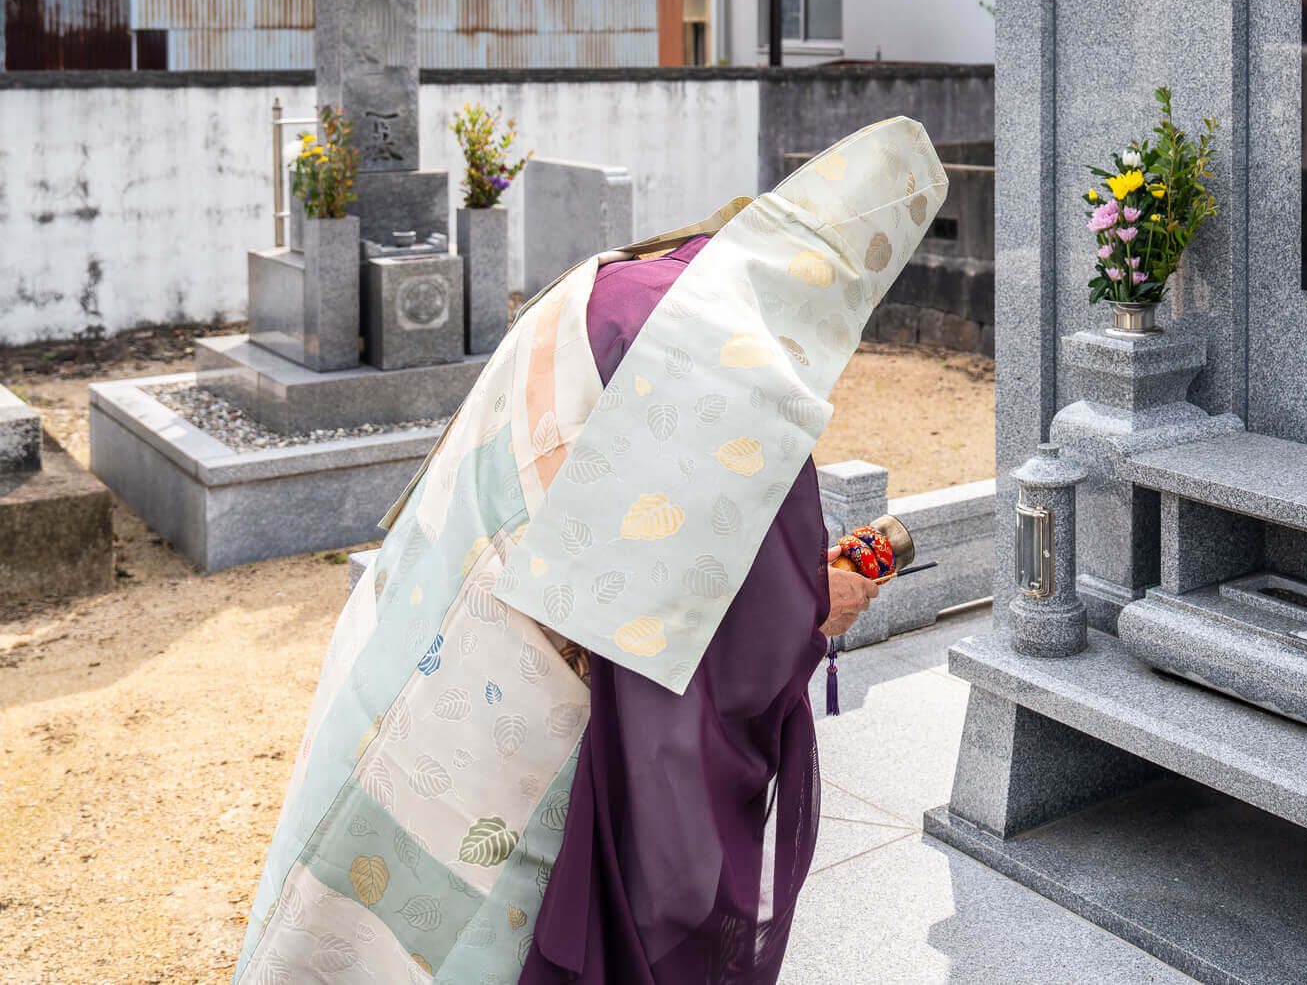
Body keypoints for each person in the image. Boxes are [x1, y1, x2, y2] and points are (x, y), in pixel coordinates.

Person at [233, 119, 946, 985]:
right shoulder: (736, 362)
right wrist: (814, 604)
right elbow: (728, 633)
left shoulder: (632, 280)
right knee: (459, 930)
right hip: (520, 702)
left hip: (423, 617)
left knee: (347, 893)